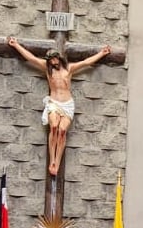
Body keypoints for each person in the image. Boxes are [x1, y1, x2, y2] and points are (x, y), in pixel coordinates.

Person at [7, 37, 111, 176]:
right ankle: (52, 161)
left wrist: (102, 53)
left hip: (67, 105)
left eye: (54, 58)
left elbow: (86, 62)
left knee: (62, 131)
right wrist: (16, 45)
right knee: (54, 126)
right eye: (50, 60)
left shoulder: (69, 68)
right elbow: (31, 58)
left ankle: (57, 160)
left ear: (59, 58)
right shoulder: (47, 68)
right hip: (54, 103)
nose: (53, 62)